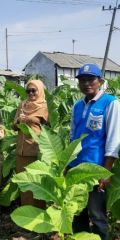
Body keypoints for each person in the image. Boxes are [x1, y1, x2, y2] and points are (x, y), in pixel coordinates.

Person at [69, 63, 120, 240]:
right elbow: (72, 138)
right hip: (76, 170)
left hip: (96, 170)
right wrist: (68, 166)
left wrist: (106, 172)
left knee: (97, 215)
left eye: (91, 79)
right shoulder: (77, 106)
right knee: (77, 212)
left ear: (100, 81)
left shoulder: (110, 103)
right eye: (82, 80)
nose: (86, 83)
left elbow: (114, 139)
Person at [13, 79, 48, 208]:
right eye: (28, 91)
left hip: (35, 150)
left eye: (34, 90)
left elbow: (42, 122)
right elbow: (14, 126)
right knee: (24, 184)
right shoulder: (22, 105)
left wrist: (27, 119)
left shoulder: (43, 105)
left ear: (40, 91)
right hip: (21, 151)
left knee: (37, 185)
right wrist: (18, 121)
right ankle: (26, 217)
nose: (31, 93)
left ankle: (38, 216)